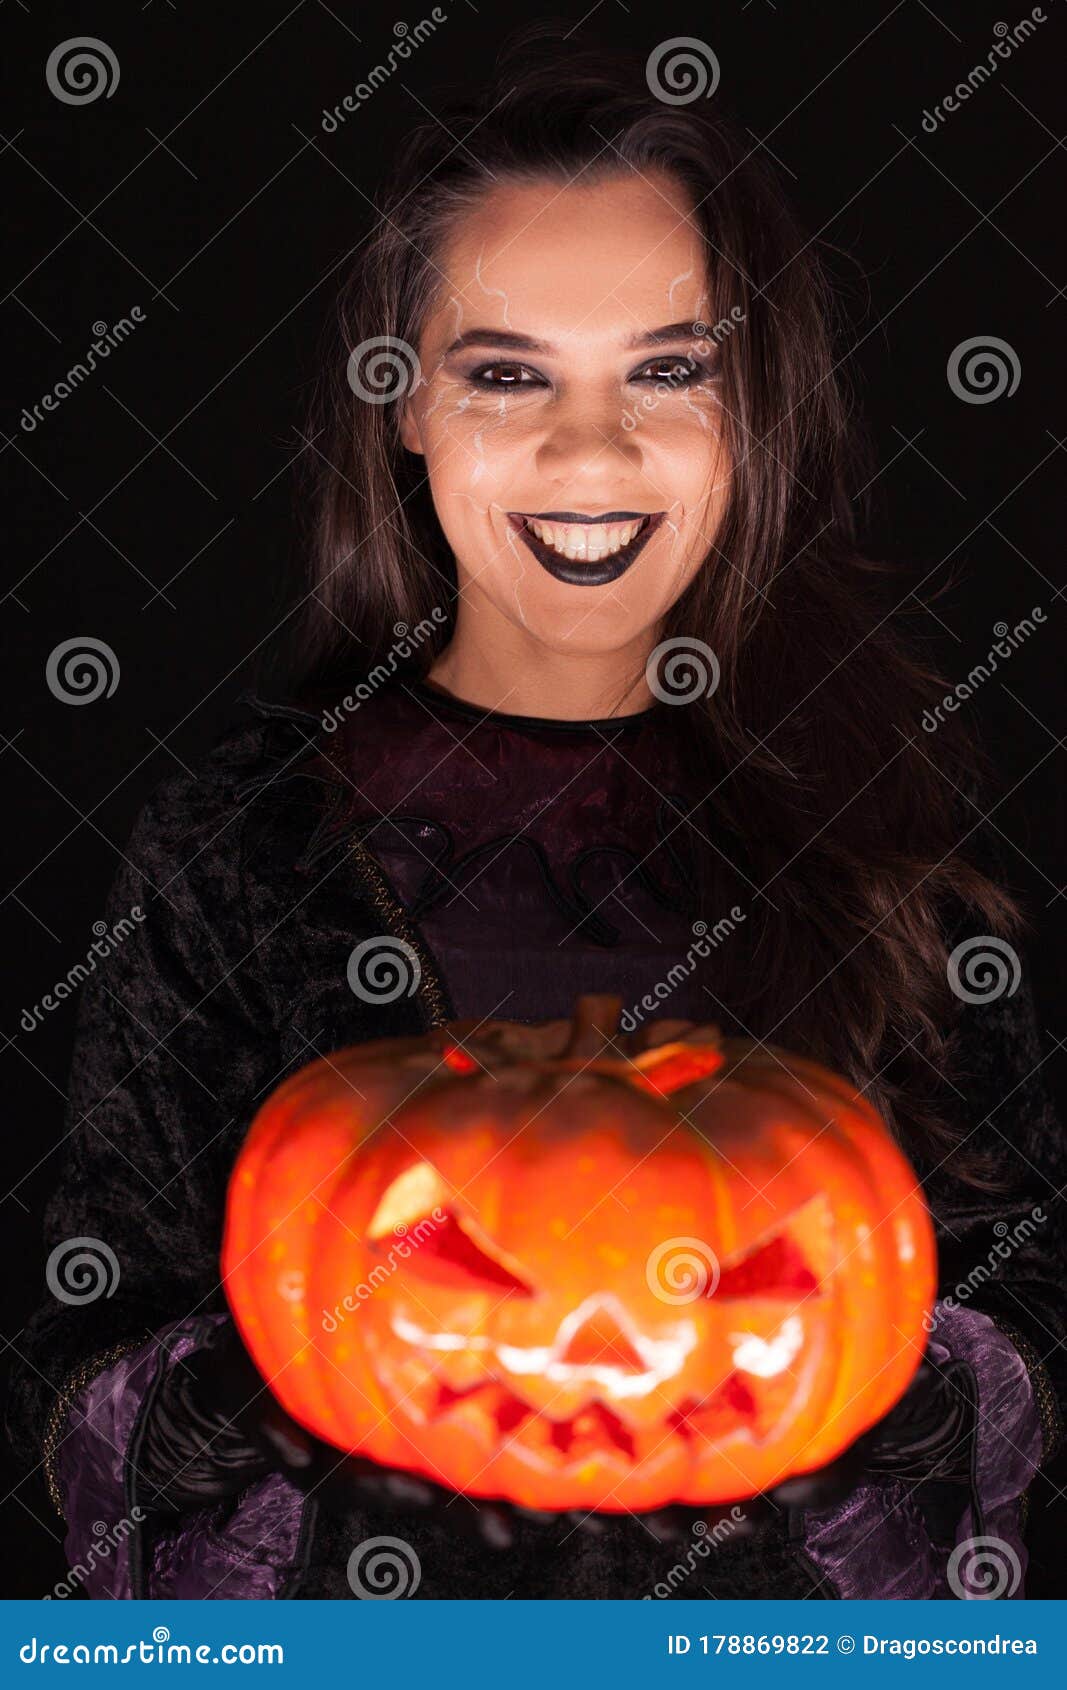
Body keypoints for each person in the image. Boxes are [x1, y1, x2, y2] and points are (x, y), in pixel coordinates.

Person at [7, 34, 1063, 1601]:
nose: (590, 451)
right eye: (507, 373)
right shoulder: (238, 835)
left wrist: (839, 1360)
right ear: (405, 407)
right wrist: (308, 1365)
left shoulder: (898, 849)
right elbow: (80, 1372)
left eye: (667, 368)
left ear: (752, 407)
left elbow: (1027, 1345)